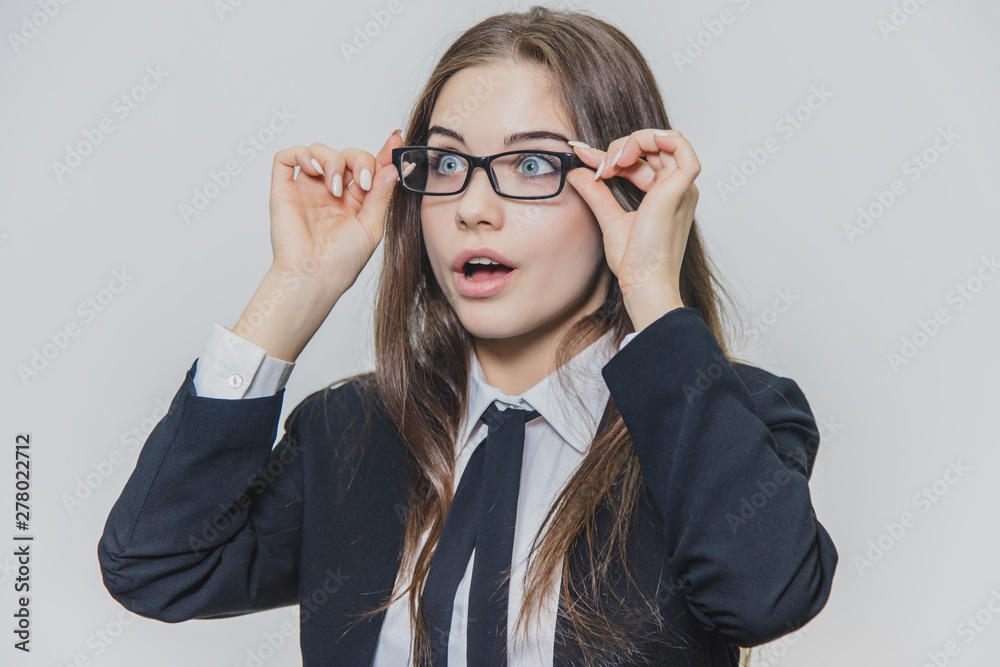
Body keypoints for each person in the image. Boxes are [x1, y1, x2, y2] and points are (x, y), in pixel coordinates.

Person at [98, 6, 837, 666]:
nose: (473, 207)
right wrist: (299, 286)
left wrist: (651, 285)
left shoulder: (730, 417)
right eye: (447, 162)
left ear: (623, 190)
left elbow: (765, 597)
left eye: (533, 163)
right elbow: (155, 564)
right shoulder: (350, 431)